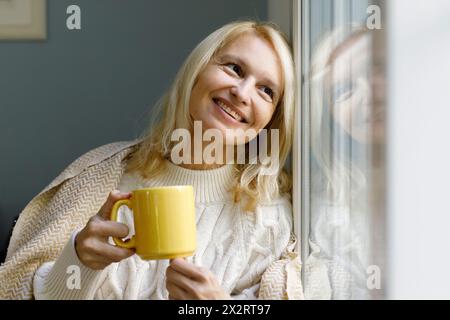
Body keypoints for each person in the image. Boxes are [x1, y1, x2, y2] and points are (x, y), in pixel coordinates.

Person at [0, 20, 300, 300]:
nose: (242, 92)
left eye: (266, 90)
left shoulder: (270, 220)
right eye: (234, 68)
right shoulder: (100, 178)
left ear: (271, 121)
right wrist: (79, 262)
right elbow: (22, 289)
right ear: (196, 72)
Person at [304, 25, 385, 299]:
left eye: (376, 69)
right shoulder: (321, 211)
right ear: (331, 118)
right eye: (344, 90)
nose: (368, 95)